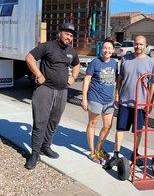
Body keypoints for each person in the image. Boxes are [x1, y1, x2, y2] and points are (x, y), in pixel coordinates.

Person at [24, 22, 80, 170]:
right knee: (40, 122)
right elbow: (29, 57)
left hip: (62, 92)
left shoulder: (71, 51)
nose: (69, 37)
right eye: (67, 34)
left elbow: (76, 64)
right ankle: (34, 154)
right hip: (45, 89)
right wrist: (39, 74)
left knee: (54, 122)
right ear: (60, 33)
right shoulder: (47, 46)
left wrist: (73, 78)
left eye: (71, 35)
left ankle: (46, 146)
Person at [103, 35, 154, 170]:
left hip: (141, 104)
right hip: (125, 102)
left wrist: (149, 103)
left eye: (141, 44)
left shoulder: (150, 62)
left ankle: (135, 153)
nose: (138, 46)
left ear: (146, 45)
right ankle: (116, 154)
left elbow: (153, 85)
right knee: (120, 128)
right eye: (136, 44)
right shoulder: (126, 59)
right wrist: (117, 94)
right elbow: (120, 78)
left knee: (138, 131)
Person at [81, 38, 117, 163]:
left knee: (107, 126)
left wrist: (116, 95)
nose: (107, 50)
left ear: (113, 50)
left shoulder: (114, 63)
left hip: (109, 101)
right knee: (92, 124)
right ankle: (92, 152)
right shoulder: (95, 62)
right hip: (95, 98)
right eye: (104, 48)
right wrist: (84, 98)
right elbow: (86, 80)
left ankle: (99, 148)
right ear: (101, 49)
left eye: (109, 48)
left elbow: (116, 81)